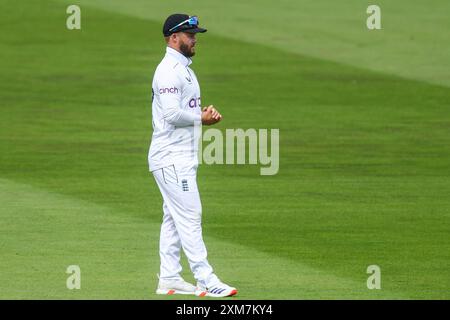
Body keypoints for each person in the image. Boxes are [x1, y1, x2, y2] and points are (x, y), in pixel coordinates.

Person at [148, 13, 237, 298]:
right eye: (189, 35)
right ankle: (206, 279)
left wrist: (201, 115)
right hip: (171, 158)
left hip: (180, 157)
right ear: (173, 38)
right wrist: (201, 118)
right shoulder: (168, 71)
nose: (195, 38)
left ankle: (170, 278)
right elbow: (172, 114)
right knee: (189, 215)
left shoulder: (183, 67)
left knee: (173, 218)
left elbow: (181, 110)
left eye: (195, 34)